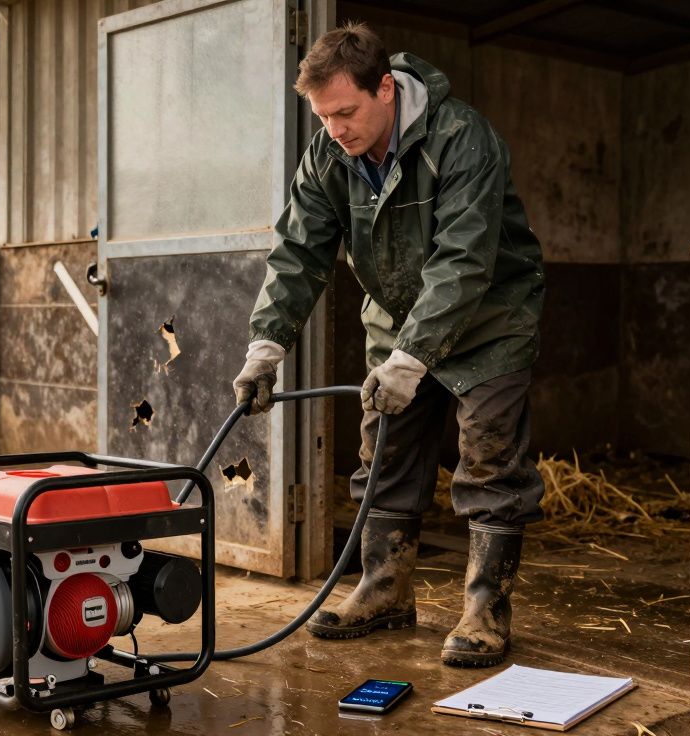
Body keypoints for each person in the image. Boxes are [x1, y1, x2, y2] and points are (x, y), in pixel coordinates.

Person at [232, 22, 546, 668]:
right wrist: (266, 345)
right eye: (324, 116)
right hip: (397, 323)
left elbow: (463, 261)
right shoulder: (329, 155)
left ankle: (486, 610)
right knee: (385, 455)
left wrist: (413, 357)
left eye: (345, 112)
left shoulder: (461, 138)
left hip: (490, 320)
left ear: (385, 89)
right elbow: (299, 253)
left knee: (489, 461)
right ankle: (384, 592)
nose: (335, 129)